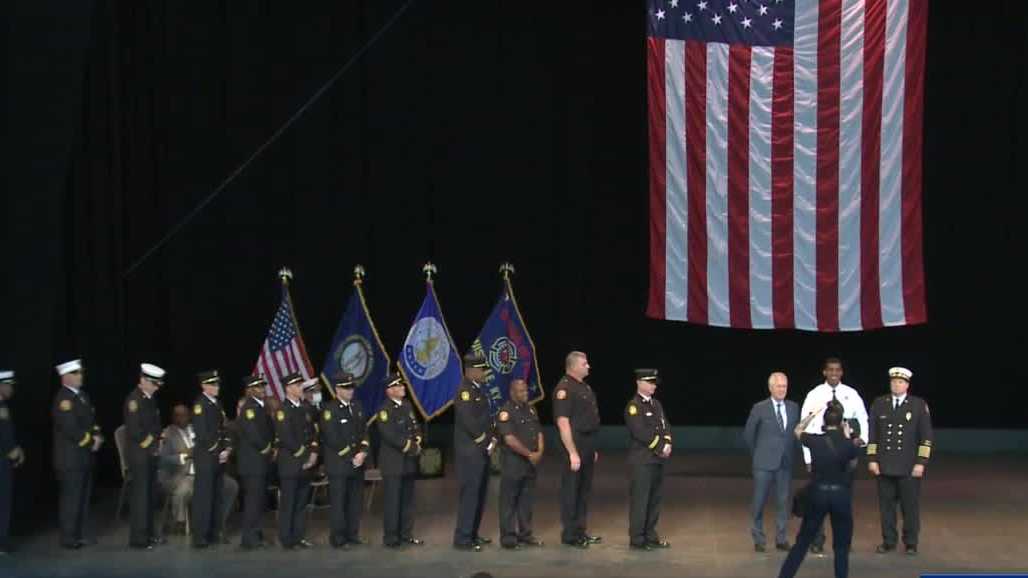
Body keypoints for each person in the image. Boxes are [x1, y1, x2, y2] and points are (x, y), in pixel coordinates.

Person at [779, 402, 861, 578]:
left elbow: (797, 431)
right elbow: (853, 462)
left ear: (825, 421)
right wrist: (847, 435)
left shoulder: (815, 440)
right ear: (841, 422)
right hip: (840, 496)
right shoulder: (848, 445)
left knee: (802, 542)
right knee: (841, 547)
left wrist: (812, 414)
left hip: (818, 494)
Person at [798, 357, 868, 553]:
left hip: (845, 457)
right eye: (830, 370)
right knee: (817, 501)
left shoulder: (851, 394)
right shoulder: (814, 394)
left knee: (843, 503)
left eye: (838, 370)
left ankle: (844, 542)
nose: (834, 373)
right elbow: (805, 422)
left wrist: (860, 442)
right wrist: (808, 458)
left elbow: (863, 419)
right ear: (824, 372)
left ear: (842, 372)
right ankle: (817, 541)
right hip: (820, 455)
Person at [867, 367, 934, 556]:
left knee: (910, 509)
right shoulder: (880, 403)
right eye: (894, 382)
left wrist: (921, 462)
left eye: (901, 382)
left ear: (907, 385)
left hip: (908, 467)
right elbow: (873, 434)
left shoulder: (918, 405)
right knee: (886, 508)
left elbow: (926, 437)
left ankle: (911, 542)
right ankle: (888, 541)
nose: (897, 385)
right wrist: (872, 459)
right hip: (884, 465)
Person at [159, 404, 239, 538]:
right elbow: (163, 459)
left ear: (190, 416)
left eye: (183, 415)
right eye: (177, 415)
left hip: (205, 471)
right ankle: (179, 521)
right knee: (183, 491)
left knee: (231, 486)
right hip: (184, 474)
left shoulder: (198, 429)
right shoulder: (168, 434)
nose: (180, 418)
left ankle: (218, 521)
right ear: (173, 417)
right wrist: (184, 456)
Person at [743, 371, 800, 552]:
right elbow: (749, 435)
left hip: (785, 464)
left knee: (783, 503)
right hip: (763, 465)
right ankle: (759, 539)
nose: (782, 389)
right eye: (779, 386)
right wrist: (758, 456)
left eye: (784, 386)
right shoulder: (759, 408)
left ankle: (781, 538)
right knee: (759, 502)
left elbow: (795, 435)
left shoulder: (793, 407)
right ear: (770, 388)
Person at [553, 351, 602, 549]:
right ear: (573, 366)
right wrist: (573, 452)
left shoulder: (584, 387)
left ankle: (581, 531)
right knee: (572, 490)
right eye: (584, 363)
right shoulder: (564, 389)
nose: (588, 366)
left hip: (587, 443)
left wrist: (592, 449)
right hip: (574, 442)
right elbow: (563, 423)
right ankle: (570, 534)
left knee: (584, 490)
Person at [53, 359, 102, 549]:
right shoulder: (63, 400)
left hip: (84, 457)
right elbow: (70, 428)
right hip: (70, 458)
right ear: (65, 377)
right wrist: (90, 442)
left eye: (81, 373)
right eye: (76, 373)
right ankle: (68, 537)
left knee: (83, 497)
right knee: (71, 499)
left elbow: (92, 420)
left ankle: (80, 534)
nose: (80, 376)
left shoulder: (82, 396)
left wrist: (97, 434)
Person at [453, 351, 496, 552]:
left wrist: (492, 438)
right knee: (470, 495)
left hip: (482, 451)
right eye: (482, 369)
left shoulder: (480, 390)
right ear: (471, 370)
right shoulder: (465, 391)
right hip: (470, 452)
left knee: (480, 494)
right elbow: (468, 420)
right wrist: (483, 440)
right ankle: (462, 538)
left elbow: (487, 418)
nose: (485, 373)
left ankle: (473, 534)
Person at [320, 373, 370, 549]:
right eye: (346, 388)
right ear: (337, 389)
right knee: (339, 504)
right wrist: (352, 456)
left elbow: (364, 431)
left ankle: (352, 534)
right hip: (339, 465)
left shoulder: (357, 406)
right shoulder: (329, 409)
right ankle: (338, 538)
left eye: (351, 387)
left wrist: (363, 452)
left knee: (355, 502)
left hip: (357, 464)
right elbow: (332, 437)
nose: (350, 391)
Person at [625, 368, 672, 551]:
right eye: (650, 382)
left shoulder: (656, 405)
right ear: (639, 383)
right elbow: (640, 433)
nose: (654, 386)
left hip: (657, 461)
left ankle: (650, 535)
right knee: (640, 500)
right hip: (642, 461)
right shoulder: (633, 406)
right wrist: (661, 447)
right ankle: (637, 539)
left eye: (655, 383)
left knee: (654, 500)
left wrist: (667, 443)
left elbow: (665, 425)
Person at [376, 372, 424, 548]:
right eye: (398, 386)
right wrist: (411, 447)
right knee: (393, 501)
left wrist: (418, 441)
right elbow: (390, 435)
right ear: (389, 390)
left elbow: (415, 427)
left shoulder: (407, 406)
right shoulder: (384, 410)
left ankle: (406, 534)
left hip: (408, 462)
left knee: (407, 502)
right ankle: (391, 538)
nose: (403, 387)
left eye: (402, 385)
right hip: (393, 463)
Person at [496, 379, 544, 550]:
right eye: (521, 391)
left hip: (530, 463)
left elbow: (538, 432)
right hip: (513, 462)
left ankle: (526, 534)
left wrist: (539, 452)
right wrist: (530, 454)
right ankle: (508, 538)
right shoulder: (505, 412)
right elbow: (509, 439)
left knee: (526, 501)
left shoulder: (531, 409)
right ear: (512, 392)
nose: (525, 393)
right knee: (509, 502)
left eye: (525, 390)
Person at [123, 363, 165, 550]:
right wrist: (152, 445)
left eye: (158, 384)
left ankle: (149, 534)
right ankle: (139, 539)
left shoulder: (149, 399)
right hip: (140, 455)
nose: (157, 387)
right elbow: (135, 431)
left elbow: (155, 426)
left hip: (150, 454)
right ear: (143, 381)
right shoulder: (134, 400)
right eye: (154, 383)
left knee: (149, 497)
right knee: (141, 498)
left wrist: (158, 441)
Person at [275, 373, 318, 550]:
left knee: (301, 503)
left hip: (307, 463)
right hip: (291, 463)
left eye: (301, 384)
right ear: (288, 388)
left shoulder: (305, 408)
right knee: (289, 503)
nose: (301, 388)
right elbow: (286, 437)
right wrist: (304, 456)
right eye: (298, 385)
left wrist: (314, 453)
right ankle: (287, 539)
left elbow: (313, 431)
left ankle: (298, 537)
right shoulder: (283, 410)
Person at [190, 370, 233, 549]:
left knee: (217, 496)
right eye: (213, 384)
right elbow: (203, 434)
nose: (217, 387)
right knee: (204, 497)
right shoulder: (200, 405)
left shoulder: (217, 404)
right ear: (204, 386)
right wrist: (218, 451)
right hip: (207, 457)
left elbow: (224, 428)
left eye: (217, 384)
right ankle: (200, 536)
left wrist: (228, 448)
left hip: (219, 457)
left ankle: (214, 533)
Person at [236, 375, 274, 550]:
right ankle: (249, 539)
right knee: (252, 502)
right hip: (252, 463)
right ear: (251, 389)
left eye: (263, 387)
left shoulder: (260, 407)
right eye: (258, 387)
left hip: (259, 463)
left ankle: (257, 535)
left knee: (259, 501)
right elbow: (253, 434)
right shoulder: (249, 408)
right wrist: (267, 448)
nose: (262, 390)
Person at [0, 370, 25, 555]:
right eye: (9, 385)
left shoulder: (3, 405)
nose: (11, 389)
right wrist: (9, 450)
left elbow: (7, 432)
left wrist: (16, 449)